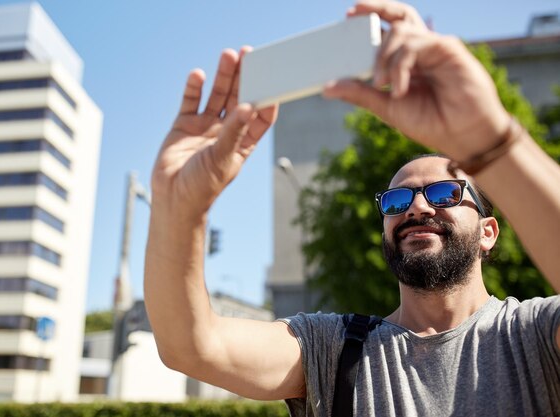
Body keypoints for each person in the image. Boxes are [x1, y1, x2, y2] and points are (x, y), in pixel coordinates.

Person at [144, 0, 560, 415]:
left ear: (488, 231)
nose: (415, 207)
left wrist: (487, 138)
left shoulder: (535, 333)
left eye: (444, 193)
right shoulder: (333, 349)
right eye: (397, 201)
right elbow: (192, 347)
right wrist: (179, 208)